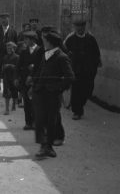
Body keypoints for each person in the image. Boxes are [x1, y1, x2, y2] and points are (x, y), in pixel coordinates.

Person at [31, 30, 74, 158]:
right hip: (40, 92)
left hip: (52, 95)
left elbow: (70, 77)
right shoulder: (46, 54)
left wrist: (57, 88)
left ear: (51, 42)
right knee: (39, 120)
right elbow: (40, 72)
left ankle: (47, 147)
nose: (42, 42)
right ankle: (45, 146)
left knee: (50, 121)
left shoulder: (61, 57)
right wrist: (33, 85)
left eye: (44, 40)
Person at [64, 19, 102, 120]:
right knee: (76, 90)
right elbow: (64, 51)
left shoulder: (90, 38)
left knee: (88, 90)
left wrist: (96, 62)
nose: (80, 29)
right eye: (77, 27)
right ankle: (77, 111)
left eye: (82, 27)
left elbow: (96, 52)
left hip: (89, 70)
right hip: (75, 69)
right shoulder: (70, 38)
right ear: (75, 28)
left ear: (84, 27)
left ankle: (80, 105)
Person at [14, 31, 43, 130]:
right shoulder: (24, 51)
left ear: (32, 40)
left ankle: (36, 122)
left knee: (36, 102)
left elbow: (43, 65)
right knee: (26, 102)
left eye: (27, 39)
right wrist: (17, 77)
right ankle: (28, 122)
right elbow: (18, 65)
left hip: (36, 79)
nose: (25, 41)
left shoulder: (40, 51)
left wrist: (35, 67)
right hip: (25, 79)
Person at [0, 13, 18, 95]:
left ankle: (8, 90)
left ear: (8, 19)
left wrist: (13, 53)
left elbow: (15, 43)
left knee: (9, 72)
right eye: (2, 18)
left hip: (9, 55)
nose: (4, 20)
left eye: (5, 18)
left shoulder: (13, 31)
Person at [1, 42, 19, 115]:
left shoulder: (17, 57)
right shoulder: (5, 57)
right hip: (6, 77)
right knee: (7, 94)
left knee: (14, 93)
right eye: (7, 48)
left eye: (10, 48)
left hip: (14, 77)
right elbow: (2, 66)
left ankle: (14, 104)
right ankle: (7, 109)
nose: (8, 49)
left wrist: (10, 65)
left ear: (14, 49)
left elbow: (18, 68)